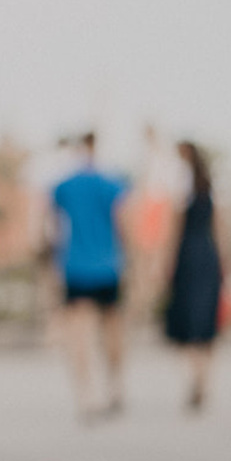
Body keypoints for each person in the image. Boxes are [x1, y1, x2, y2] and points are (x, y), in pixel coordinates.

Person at [49, 131, 131, 422]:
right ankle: (115, 386)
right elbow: (124, 225)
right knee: (112, 330)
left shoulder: (63, 186)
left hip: (75, 265)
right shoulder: (112, 183)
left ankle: (86, 394)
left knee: (79, 333)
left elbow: (52, 229)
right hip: (108, 265)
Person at [162, 140, 231, 412]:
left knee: (187, 321)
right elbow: (222, 231)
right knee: (205, 320)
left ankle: (196, 376)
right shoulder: (213, 187)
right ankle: (203, 378)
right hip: (208, 257)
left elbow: (172, 232)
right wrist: (229, 264)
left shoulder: (179, 185)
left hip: (188, 257)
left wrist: (165, 265)